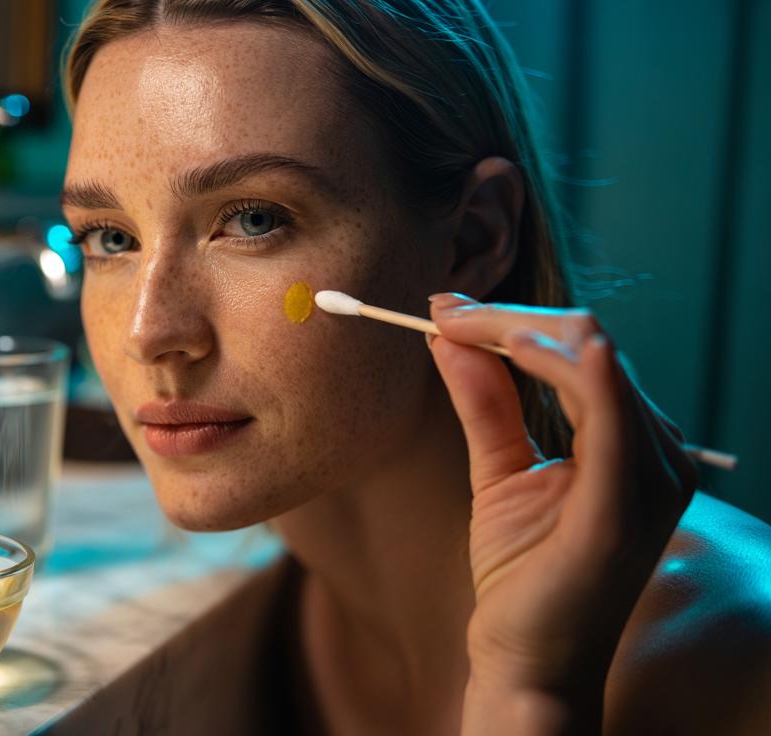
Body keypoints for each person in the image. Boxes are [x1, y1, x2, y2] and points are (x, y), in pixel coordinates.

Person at [58, 1, 771, 733]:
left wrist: (531, 695)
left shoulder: (735, 648)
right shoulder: (261, 611)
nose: (150, 333)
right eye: (110, 237)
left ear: (474, 237)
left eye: (254, 219)